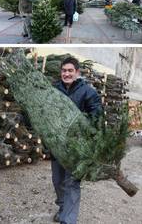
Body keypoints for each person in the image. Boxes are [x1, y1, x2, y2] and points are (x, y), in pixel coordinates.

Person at [51, 57, 102, 224]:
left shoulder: (88, 92)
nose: (66, 73)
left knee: (71, 183)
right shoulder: (53, 90)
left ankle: (68, 220)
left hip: (77, 149)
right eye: (64, 70)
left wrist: (84, 135)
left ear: (77, 73)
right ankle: (63, 208)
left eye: (70, 70)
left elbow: (97, 118)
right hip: (57, 147)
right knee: (58, 181)